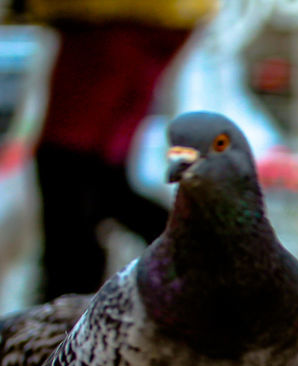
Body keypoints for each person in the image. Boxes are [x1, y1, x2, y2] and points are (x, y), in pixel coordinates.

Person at [10, 0, 213, 299]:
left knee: (67, 166)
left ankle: (67, 306)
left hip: (112, 16)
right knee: (99, 172)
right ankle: (203, 261)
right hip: (159, 16)